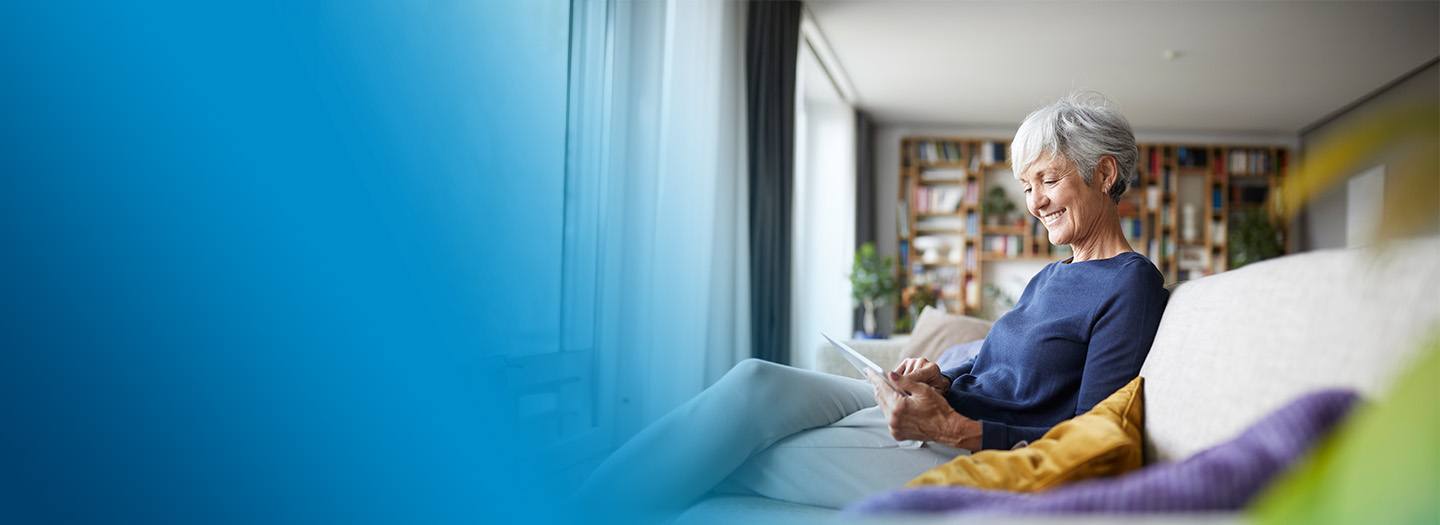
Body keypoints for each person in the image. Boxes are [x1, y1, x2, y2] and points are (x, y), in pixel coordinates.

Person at [569, 92, 1168, 521]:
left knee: (745, 453)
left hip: (971, 446)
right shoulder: (1051, 276)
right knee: (755, 384)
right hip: (951, 403)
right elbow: (1002, 365)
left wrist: (957, 428)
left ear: (1104, 173)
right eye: (1027, 185)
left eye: (1047, 180)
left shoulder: (1131, 285)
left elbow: (1090, 440)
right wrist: (940, 375)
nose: (1034, 202)